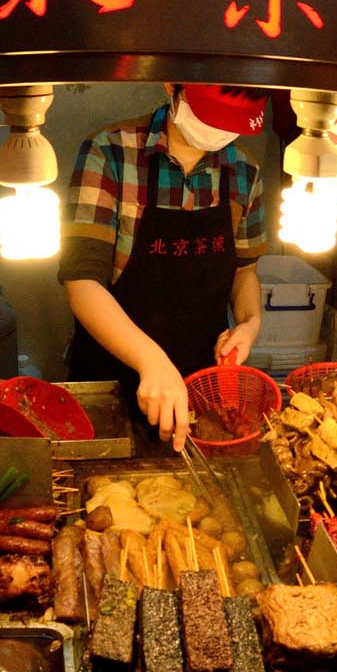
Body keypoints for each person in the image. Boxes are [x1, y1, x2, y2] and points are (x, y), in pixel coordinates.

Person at [60, 84, 268, 451]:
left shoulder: (243, 171)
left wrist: (249, 324)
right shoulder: (109, 153)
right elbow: (82, 282)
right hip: (109, 387)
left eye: (231, 122)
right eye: (211, 114)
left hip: (201, 394)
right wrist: (151, 360)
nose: (220, 131)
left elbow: (244, 271)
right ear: (173, 86)